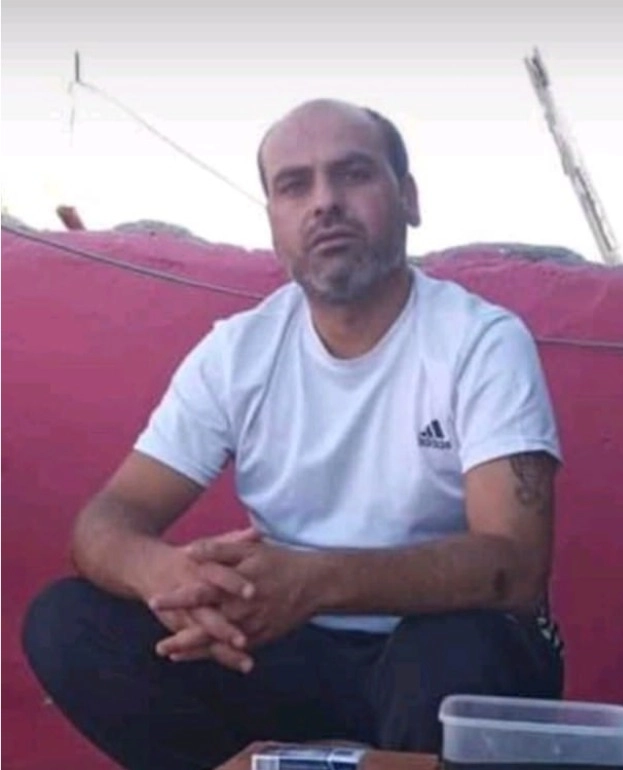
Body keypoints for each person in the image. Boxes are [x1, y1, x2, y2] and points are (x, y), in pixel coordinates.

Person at [22, 99, 564, 770]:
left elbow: (514, 567)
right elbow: (107, 520)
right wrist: (166, 574)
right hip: (284, 647)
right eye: (294, 185)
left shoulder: (480, 342)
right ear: (275, 221)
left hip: (434, 651)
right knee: (69, 623)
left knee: (455, 650)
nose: (324, 202)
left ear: (408, 198)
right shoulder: (238, 353)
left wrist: (316, 581)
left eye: (353, 174)